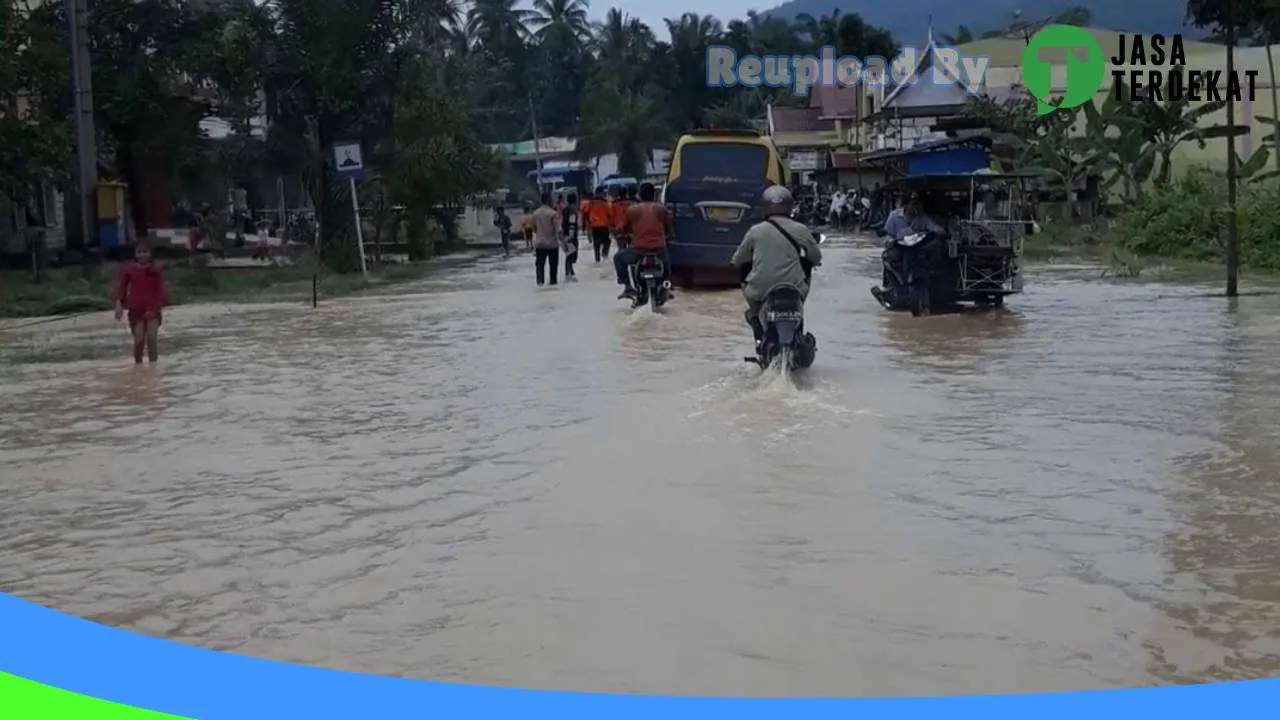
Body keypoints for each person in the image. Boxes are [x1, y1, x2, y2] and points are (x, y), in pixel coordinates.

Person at [730, 186, 822, 351]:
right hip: (795, 289)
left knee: (751, 301)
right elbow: (816, 257)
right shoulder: (800, 229)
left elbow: (738, 260)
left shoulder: (755, 231)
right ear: (789, 206)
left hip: (761, 289)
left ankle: (756, 319)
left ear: (765, 206)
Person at [872, 193, 946, 306]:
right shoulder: (894, 216)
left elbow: (933, 226)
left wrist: (939, 230)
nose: (916, 207)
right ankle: (894, 287)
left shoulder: (922, 217)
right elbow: (887, 235)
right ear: (906, 205)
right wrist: (890, 241)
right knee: (888, 258)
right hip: (899, 249)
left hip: (917, 250)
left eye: (918, 204)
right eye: (914, 204)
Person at [613, 182, 672, 304]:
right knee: (668, 262)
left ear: (640, 195)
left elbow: (625, 229)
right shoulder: (662, 209)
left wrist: (623, 235)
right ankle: (667, 285)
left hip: (639, 250)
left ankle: (628, 287)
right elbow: (669, 228)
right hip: (659, 248)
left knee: (618, 258)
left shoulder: (632, 210)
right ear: (654, 195)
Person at [112, 241, 169, 364]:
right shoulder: (129, 270)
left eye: (144, 252)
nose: (141, 255)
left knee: (152, 339)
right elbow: (121, 288)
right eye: (139, 252)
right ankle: (138, 365)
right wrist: (118, 304)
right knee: (139, 340)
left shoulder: (156, 271)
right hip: (135, 311)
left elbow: (161, 292)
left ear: (150, 254)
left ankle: (153, 366)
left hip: (153, 310)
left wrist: (154, 309)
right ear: (135, 254)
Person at [530, 193, 562, 286]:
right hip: (552, 244)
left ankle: (540, 284)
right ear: (549, 200)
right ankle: (553, 284)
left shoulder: (535, 214)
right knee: (553, 267)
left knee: (540, 265)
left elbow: (534, 229)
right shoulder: (553, 214)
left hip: (540, 244)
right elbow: (558, 230)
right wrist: (565, 244)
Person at [586, 188, 612, 261]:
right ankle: (604, 254)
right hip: (603, 225)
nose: (604, 194)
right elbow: (610, 214)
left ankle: (597, 259)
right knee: (607, 241)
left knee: (596, 243)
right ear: (599, 193)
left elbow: (587, 213)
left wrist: (589, 223)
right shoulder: (605, 203)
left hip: (594, 226)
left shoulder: (591, 202)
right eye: (603, 193)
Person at [562, 192, 580, 280]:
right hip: (571, 235)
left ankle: (570, 271)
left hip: (565, 234)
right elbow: (572, 223)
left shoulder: (565, 209)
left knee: (569, 253)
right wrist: (571, 235)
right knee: (572, 254)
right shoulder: (573, 209)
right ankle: (568, 273)